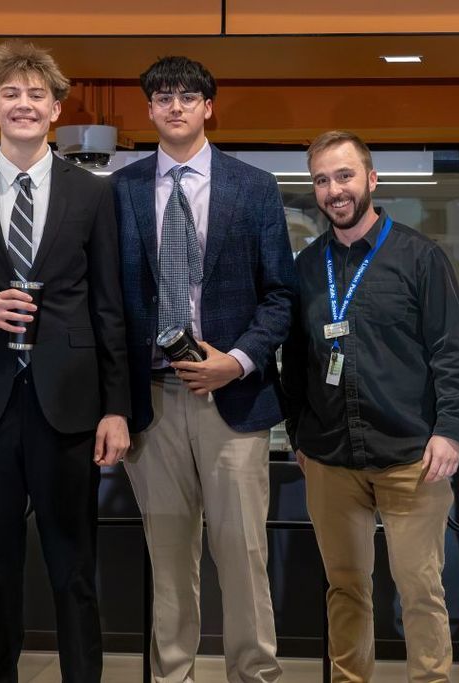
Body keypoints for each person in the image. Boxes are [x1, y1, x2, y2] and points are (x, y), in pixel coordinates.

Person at [0, 41, 130, 683]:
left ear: (56, 109)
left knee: (74, 570)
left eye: (37, 94)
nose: (24, 104)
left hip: (68, 405)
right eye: (11, 93)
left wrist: (117, 408)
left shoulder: (93, 194)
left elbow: (110, 307)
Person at [110, 56, 296, 682]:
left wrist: (236, 362)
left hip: (233, 403)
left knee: (243, 556)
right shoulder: (124, 189)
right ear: (151, 109)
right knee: (168, 560)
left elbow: (280, 296)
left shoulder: (253, 186)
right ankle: (172, 675)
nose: (176, 106)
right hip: (153, 400)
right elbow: (111, 301)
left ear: (209, 106)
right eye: (163, 97)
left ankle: (255, 675)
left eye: (189, 96)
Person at [281, 130, 459, 682]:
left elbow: (451, 353)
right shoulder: (305, 268)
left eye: (344, 176)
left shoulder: (420, 258)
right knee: (345, 588)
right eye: (322, 180)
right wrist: (298, 434)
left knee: (419, 590)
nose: (334, 190)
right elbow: (294, 361)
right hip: (329, 457)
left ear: (370, 179)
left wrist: (451, 430)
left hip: (411, 455)